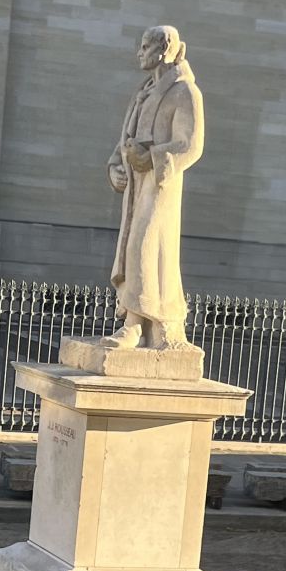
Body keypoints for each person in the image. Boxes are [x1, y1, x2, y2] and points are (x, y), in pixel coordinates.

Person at [103, 24, 204, 352]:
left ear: (165, 49)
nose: (139, 52)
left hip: (161, 186)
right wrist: (115, 168)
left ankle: (135, 325)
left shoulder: (185, 92)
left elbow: (191, 145)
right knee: (133, 248)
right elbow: (124, 141)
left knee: (145, 246)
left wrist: (152, 158)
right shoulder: (142, 93)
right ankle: (143, 325)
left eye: (145, 46)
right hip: (137, 187)